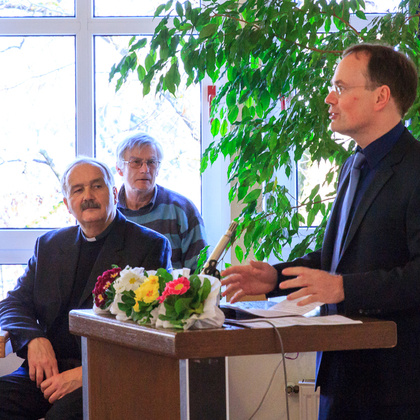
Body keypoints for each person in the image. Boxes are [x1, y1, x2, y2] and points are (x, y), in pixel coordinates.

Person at [221, 43, 420, 420]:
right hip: (340, 375)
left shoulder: (416, 168)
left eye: (341, 88)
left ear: (381, 97)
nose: (329, 97)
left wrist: (345, 287)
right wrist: (275, 278)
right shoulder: (354, 166)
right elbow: (337, 259)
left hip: (399, 387)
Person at [0, 157, 172, 420]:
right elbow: (13, 303)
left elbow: (150, 331)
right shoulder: (48, 245)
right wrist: (35, 339)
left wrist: (87, 374)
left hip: (108, 375)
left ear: (114, 194)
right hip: (47, 371)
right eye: (78, 190)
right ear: (68, 204)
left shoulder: (149, 246)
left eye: (97, 187)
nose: (88, 196)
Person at [116, 132, 207, 272]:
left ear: (158, 168)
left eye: (151, 162)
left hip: (173, 293)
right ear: (119, 169)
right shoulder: (108, 212)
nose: (145, 169)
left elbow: (200, 275)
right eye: (136, 162)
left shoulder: (182, 210)